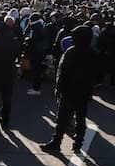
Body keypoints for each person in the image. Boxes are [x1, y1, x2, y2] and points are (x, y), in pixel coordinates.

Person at [42, 25, 101, 154]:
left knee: (62, 118)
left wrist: (58, 87)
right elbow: (99, 75)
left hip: (68, 90)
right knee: (81, 118)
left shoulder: (71, 52)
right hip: (85, 91)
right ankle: (78, 145)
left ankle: (56, 142)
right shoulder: (94, 53)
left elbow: (63, 71)